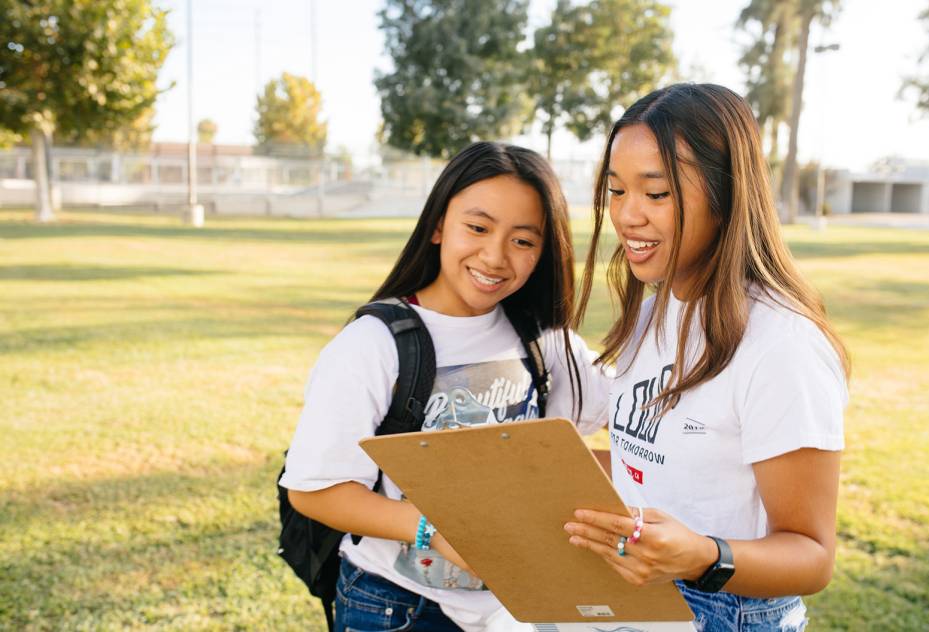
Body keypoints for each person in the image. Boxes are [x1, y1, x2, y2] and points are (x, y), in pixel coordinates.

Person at [279, 141, 610, 632]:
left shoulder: (547, 342)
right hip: (397, 607)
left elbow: (632, 437)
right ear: (438, 225)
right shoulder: (373, 344)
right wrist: (433, 530)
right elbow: (315, 490)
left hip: (516, 607)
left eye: (523, 240)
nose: (495, 256)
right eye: (477, 228)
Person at [563, 83, 850, 632]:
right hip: (635, 600)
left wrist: (701, 555)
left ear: (725, 194)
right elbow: (654, 462)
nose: (627, 216)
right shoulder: (652, 312)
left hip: (722, 612)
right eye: (616, 191)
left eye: (657, 193)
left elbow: (812, 556)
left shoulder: (782, 344)